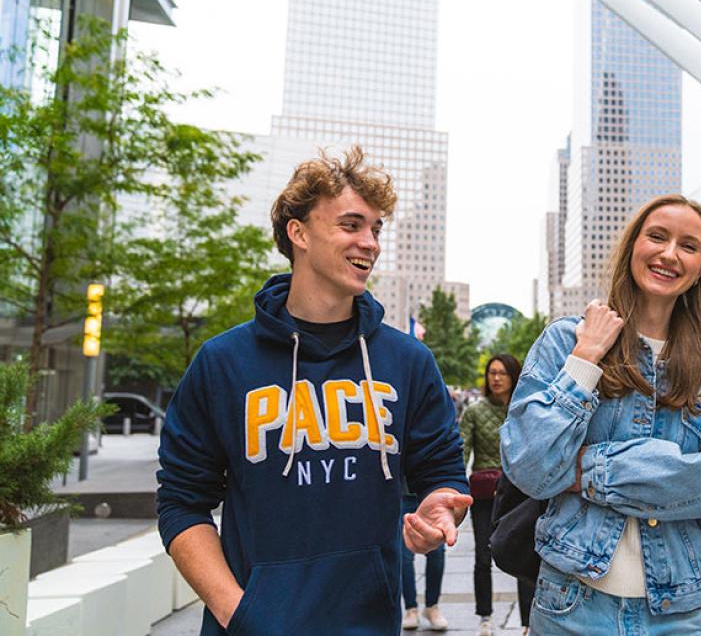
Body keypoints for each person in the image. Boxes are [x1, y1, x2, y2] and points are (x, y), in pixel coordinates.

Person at [156, 147, 472, 635]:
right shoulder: (223, 362)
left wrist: (440, 510)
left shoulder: (408, 362)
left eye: (376, 229)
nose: (370, 243)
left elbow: (443, 473)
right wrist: (239, 612)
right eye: (351, 225)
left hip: (369, 624)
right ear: (298, 233)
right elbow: (181, 501)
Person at [501, 194, 701, 634]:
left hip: (679, 611)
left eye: (688, 246)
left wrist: (587, 470)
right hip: (570, 603)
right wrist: (585, 360)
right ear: (632, 247)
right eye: (656, 237)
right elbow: (529, 467)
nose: (669, 254)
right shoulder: (567, 340)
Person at [460, 353, 534, 636]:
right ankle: (485, 617)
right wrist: (455, 485)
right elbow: (463, 449)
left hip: (520, 494)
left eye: (503, 372)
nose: (496, 378)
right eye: (492, 372)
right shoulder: (475, 411)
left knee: (525, 553)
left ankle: (527, 621)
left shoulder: (525, 409)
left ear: (514, 376)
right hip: (485, 495)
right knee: (482, 556)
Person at [400, 491, 448, 631]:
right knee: (404, 556)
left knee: (437, 553)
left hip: (430, 494)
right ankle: (410, 608)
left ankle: (432, 606)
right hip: (403, 496)